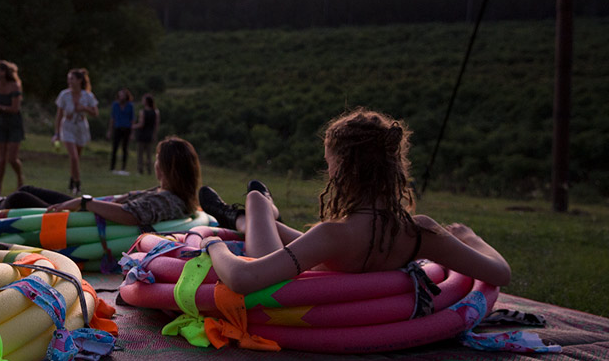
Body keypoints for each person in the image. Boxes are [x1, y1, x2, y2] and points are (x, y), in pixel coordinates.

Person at [197, 109, 512, 296]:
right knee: (270, 223)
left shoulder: (333, 233)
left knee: (256, 203)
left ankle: (254, 207)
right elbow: (500, 273)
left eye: (329, 164)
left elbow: (244, 278)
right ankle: (244, 216)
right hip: (326, 252)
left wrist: (214, 246)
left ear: (343, 170)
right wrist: (469, 237)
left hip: (278, 257)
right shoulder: (420, 232)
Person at [0, 136, 201, 230]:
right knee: (28, 190)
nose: (155, 164)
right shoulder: (169, 194)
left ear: (167, 168)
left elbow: (130, 216)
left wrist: (85, 202)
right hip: (94, 212)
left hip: (89, 224)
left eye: (158, 159)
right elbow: (128, 200)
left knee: (20, 200)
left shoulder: (166, 200)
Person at [54, 68, 99, 195]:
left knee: (76, 158)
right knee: (73, 157)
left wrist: (84, 108)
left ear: (79, 80)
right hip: (67, 127)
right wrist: (56, 133)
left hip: (81, 127)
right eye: (68, 79)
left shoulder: (87, 96)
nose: (69, 81)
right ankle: (78, 185)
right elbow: (58, 115)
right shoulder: (64, 95)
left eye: (71, 78)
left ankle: (72, 179)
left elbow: (95, 113)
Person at [0, 60, 25, 196]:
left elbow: (15, 109)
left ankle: (20, 177)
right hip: (0, 124)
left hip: (14, 124)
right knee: (1, 158)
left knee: (12, 158)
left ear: (4, 72)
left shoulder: (14, 87)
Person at [107, 87, 134, 174]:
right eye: (120, 95)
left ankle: (123, 168)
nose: (121, 96)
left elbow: (132, 119)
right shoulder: (115, 105)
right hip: (117, 128)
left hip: (127, 128)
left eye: (123, 95)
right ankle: (112, 167)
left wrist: (132, 132)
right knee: (114, 148)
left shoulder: (130, 106)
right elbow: (112, 118)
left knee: (125, 149)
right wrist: (110, 130)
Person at [132, 93, 160, 175]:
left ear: (146, 101)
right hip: (150, 134)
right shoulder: (156, 111)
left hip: (142, 134)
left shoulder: (142, 112)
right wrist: (154, 134)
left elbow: (141, 124)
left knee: (140, 154)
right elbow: (156, 125)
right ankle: (150, 170)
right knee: (149, 154)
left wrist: (133, 126)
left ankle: (140, 170)